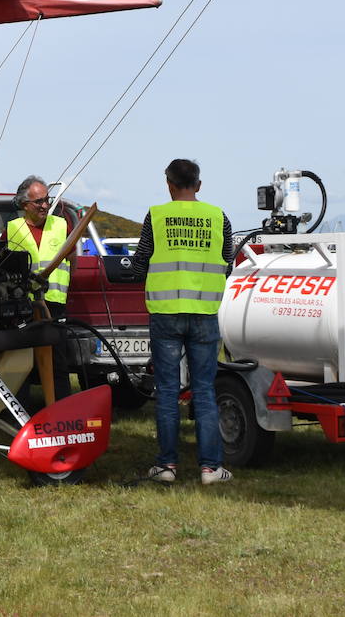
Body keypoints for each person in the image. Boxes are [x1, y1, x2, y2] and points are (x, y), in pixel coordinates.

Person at [129, 158, 234, 485]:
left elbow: (139, 264)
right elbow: (227, 262)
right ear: (199, 185)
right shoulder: (219, 217)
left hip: (165, 313)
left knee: (168, 390)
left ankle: (166, 466)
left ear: (169, 185)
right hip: (204, 314)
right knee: (204, 391)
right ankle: (210, 468)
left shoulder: (156, 216)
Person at [6, 175, 73, 401]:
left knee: (58, 363)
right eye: (39, 201)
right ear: (25, 204)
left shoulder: (62, 225)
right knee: (21, 363)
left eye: (47, 199)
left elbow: (73, 259)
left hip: (54, 303)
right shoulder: (11, 229)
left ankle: (62, 413)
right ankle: (21, 414)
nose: (46, 205)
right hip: (23, 305)